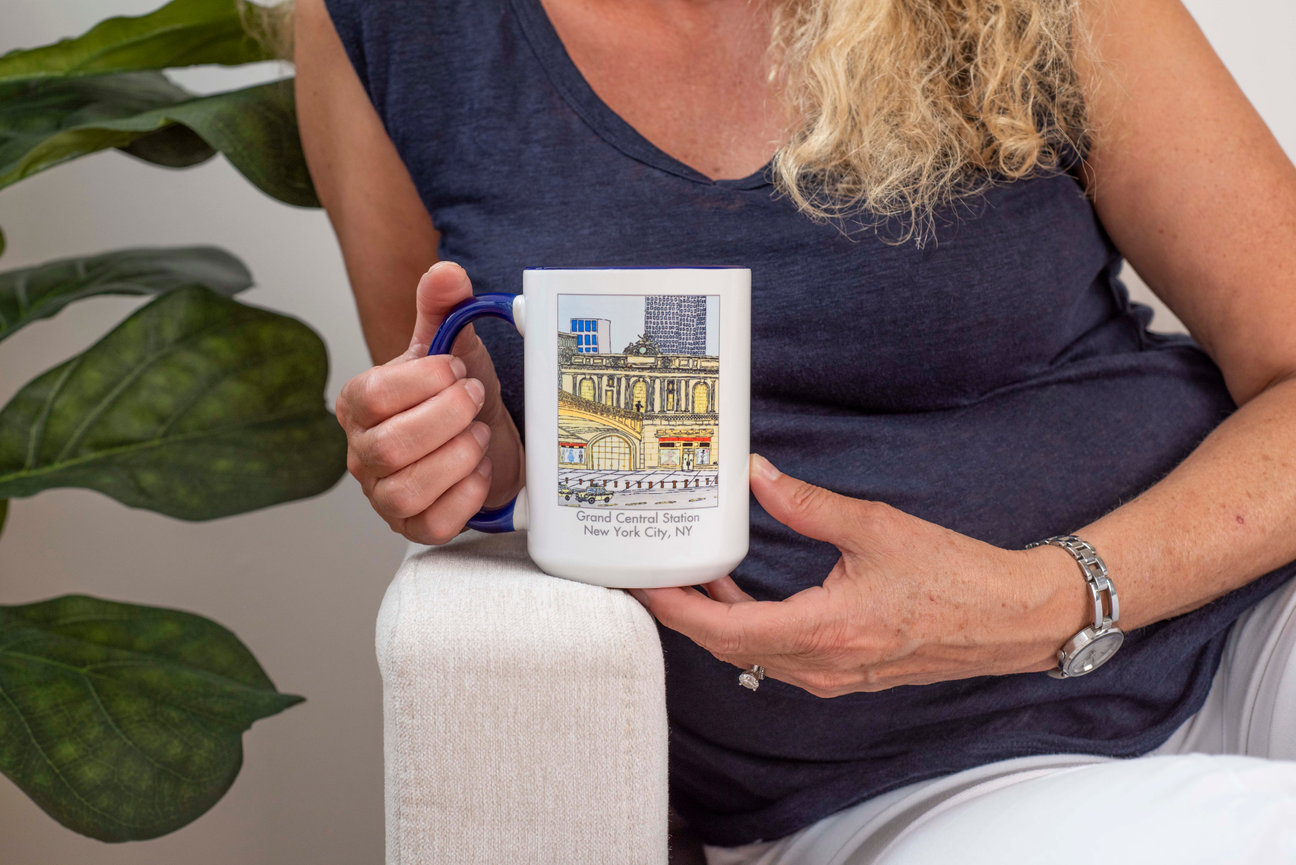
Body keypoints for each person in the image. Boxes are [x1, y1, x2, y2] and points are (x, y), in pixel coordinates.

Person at [292, 0, 1296, 860]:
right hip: (909, 777)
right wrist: (464, 454)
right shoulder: (391, 27)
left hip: (1246, 624)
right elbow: (468, 424)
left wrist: (1049, 593)